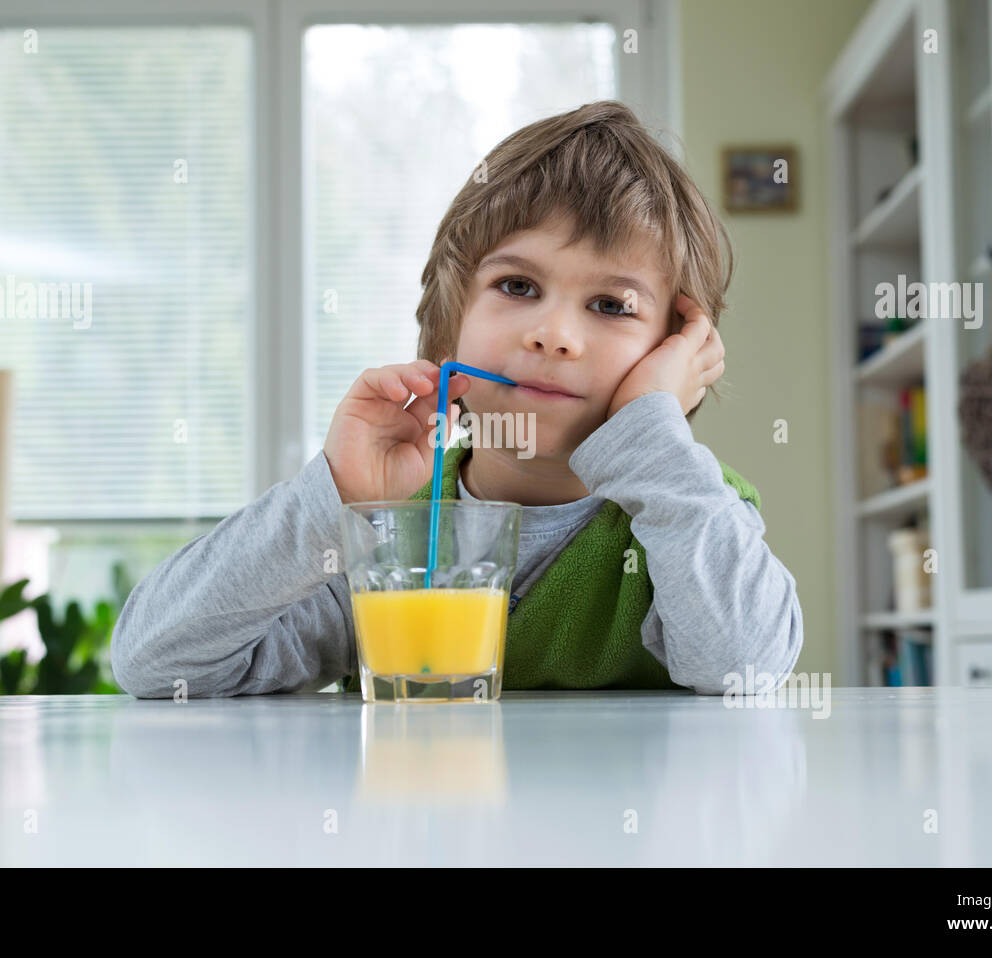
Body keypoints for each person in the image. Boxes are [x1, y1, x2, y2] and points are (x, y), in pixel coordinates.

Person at [110, 100, 803, 698]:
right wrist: (335, 496)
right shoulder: (384, 533)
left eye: (610, 304)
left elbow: (744, 665)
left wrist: (655, 440)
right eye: (518, 287)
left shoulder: (688, 511)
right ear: (448, 332)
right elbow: (155, 661)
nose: (554, 334)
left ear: (674, 354)